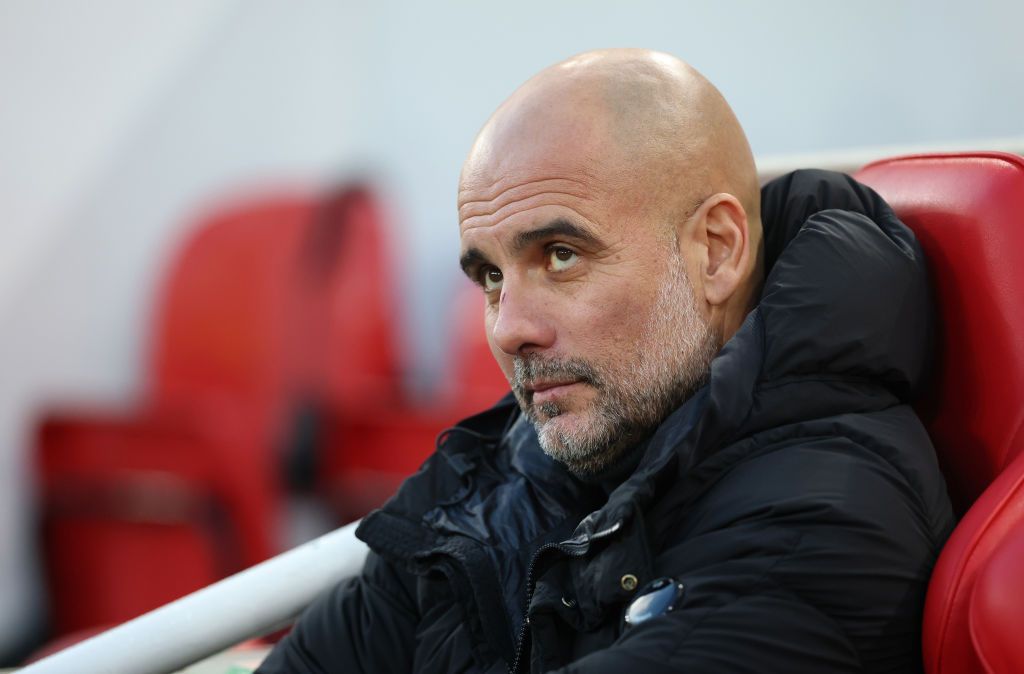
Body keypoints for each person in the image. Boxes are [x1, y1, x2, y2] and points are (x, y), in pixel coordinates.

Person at [257, 48, 954, 673]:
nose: (508, 330)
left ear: (716, 251)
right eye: (492, 277)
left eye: (561, 256)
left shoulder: (817, 527)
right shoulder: (516, 472)